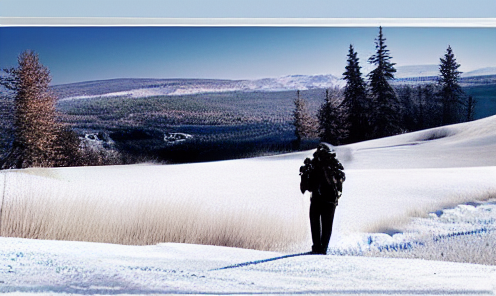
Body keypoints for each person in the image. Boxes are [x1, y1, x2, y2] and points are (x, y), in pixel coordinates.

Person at [300, 144, 345, 255]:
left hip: (316, 200)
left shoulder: (314, 165)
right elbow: (341, 178)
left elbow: (306, 187)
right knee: (327, 226)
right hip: (330, 201)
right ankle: (323, 249)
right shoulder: (333, 165)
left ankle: (317, 248)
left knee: (315, 224)